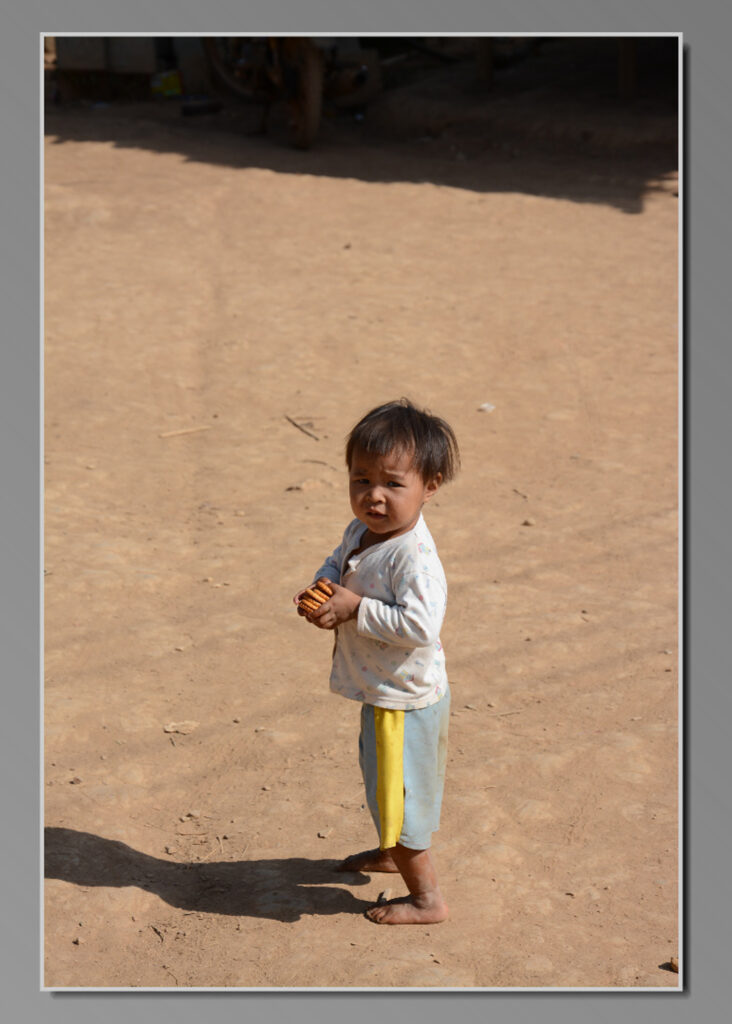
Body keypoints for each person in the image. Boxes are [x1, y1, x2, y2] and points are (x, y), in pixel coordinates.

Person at [293, 398, 460, 924]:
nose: (374, 496)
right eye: (361, 480)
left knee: (403, 801)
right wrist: (325, 589)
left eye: (392, 483)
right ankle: (391, 852)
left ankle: (427, 899)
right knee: (384, 786)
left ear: (430, 485)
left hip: (405, 703)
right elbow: (339, 559)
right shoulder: (364, 531)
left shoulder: (413, 558)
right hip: (382, 692)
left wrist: (356, 607)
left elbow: (420, 626)